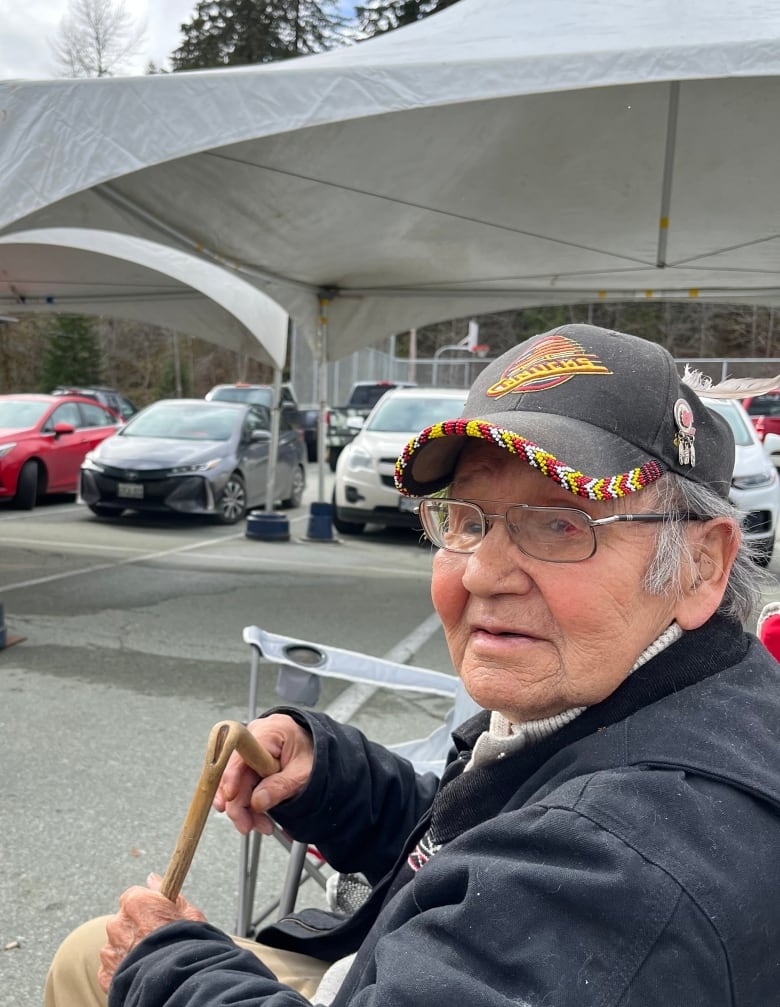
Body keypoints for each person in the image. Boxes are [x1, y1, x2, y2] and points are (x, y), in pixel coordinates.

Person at [47, 324, 780, 1007]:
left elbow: (546, 860)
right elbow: (486, 838)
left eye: (560, 522)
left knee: (96, 958)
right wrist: (335, 780)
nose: (483, 573)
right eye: (464, 520)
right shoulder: (662, 696)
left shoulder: (624, 861)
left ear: (700, 564)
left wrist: (165, 967)